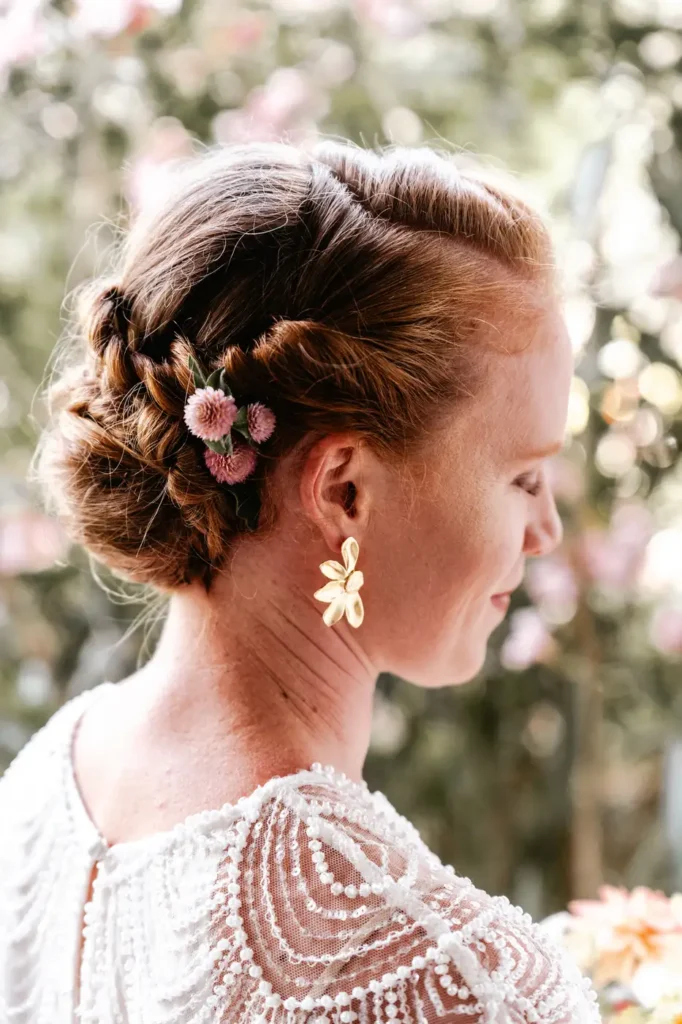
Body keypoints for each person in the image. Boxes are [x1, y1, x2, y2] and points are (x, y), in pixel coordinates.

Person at [0, 140, 601, 1023]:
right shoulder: (453, 980)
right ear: (343, 489)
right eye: (522, 477)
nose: (547, 530)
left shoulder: (44, 782)